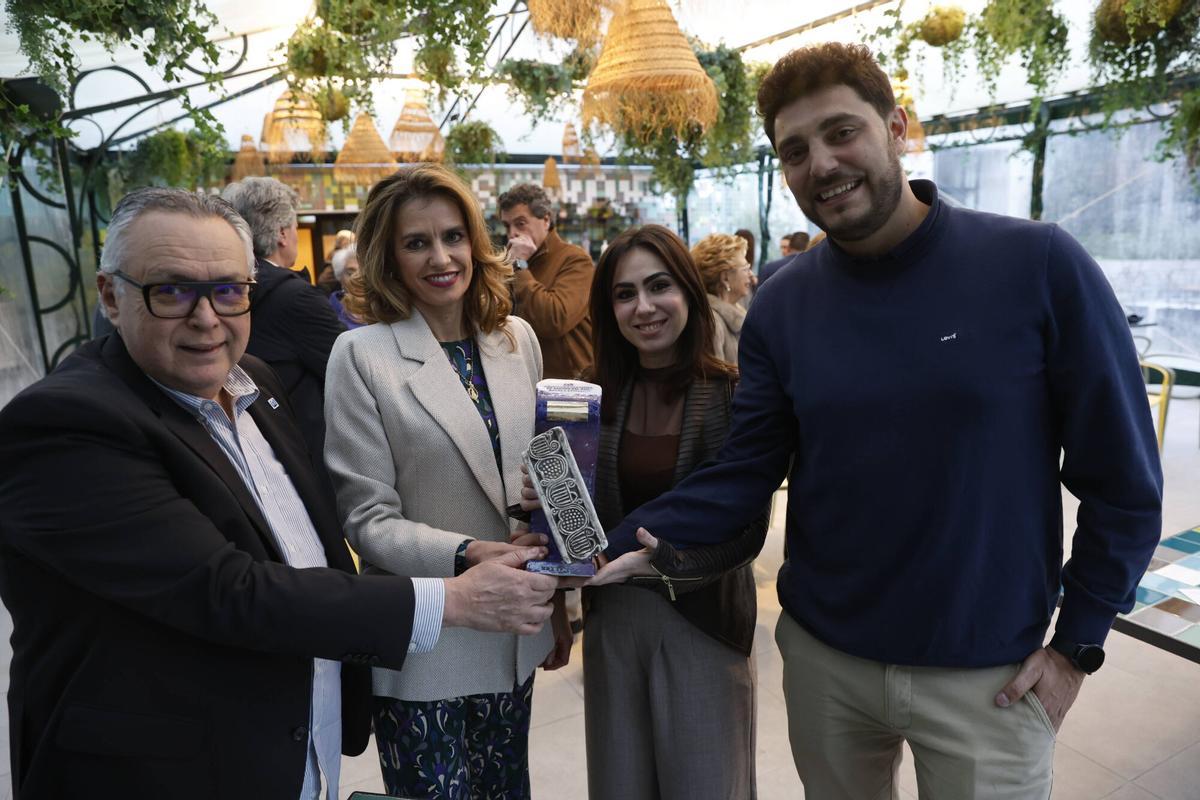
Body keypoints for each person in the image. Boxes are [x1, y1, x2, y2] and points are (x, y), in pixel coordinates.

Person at [605, 42, 1163, 799]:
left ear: (897, 127)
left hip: (987, 675)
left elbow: (1124, 481)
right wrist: (595, 542)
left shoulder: (1036, 266)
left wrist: (1077, 645)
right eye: (794, 151)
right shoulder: (782, 303)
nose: (821, 164)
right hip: (827, 662)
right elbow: (746, 470)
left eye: (842, 132)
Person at [0, 187, 559, 799]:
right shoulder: (67, 423)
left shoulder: (253, 385)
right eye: (172, 291)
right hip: (171, 768)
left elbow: (308, 547)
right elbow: (229, 589)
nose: (206, 317)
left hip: (295, 741)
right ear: (110, 296)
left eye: (227, 290)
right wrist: (453, 596)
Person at [323, 165, 572, 799]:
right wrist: (467, 553)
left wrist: (559, 606)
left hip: (514, 636)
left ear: (475, 241)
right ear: (389, 257)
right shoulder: (362, 356)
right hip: (426, 645)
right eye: (417, 243)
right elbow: (367, 518)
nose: (441, 258)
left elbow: (540, 479)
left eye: (453, 236)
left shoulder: (516, 339)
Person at [564, 224, 768, 799]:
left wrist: (667, 563)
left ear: (688, 291)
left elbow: (750, 528)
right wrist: (543, 501)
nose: (644, 307)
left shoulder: (732, 392)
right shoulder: (589, 394)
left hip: (702, 619)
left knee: (707, 783)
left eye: (659, 286)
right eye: (625, 294)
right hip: (612, 620)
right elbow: (574, 515)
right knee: (620, 784)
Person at [221, 177, 345, 474]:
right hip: (304, 451)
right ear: (282, 234)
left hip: (251, 447)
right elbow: (354, 367)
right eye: (295, 227)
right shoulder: (296, 298)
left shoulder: (226, 289)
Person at [498, 183, 594, 379]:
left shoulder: (575, 259)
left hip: (570, 383)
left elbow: (555, 319)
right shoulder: (511, 264)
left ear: (546, 220)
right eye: (507, 226)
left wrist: (520, 266)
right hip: (524, 378)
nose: (512, 233)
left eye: (520, 223)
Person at [691, 233, 752, 364]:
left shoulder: (733, 312)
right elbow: (714, 376)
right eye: (745, 269)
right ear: (725, 278)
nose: (751, 274)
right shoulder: (712, 323)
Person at [328, 246, 363, 330]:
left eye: (365, 272)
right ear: (340, 277)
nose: (359, 278)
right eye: (350, 273)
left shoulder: (385, 309)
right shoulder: (328, 311)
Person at [318, 228, 356, 295]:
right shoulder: (337, 257)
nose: (352, 245)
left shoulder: (346, 255)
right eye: (350, 242)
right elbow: (324, 280)